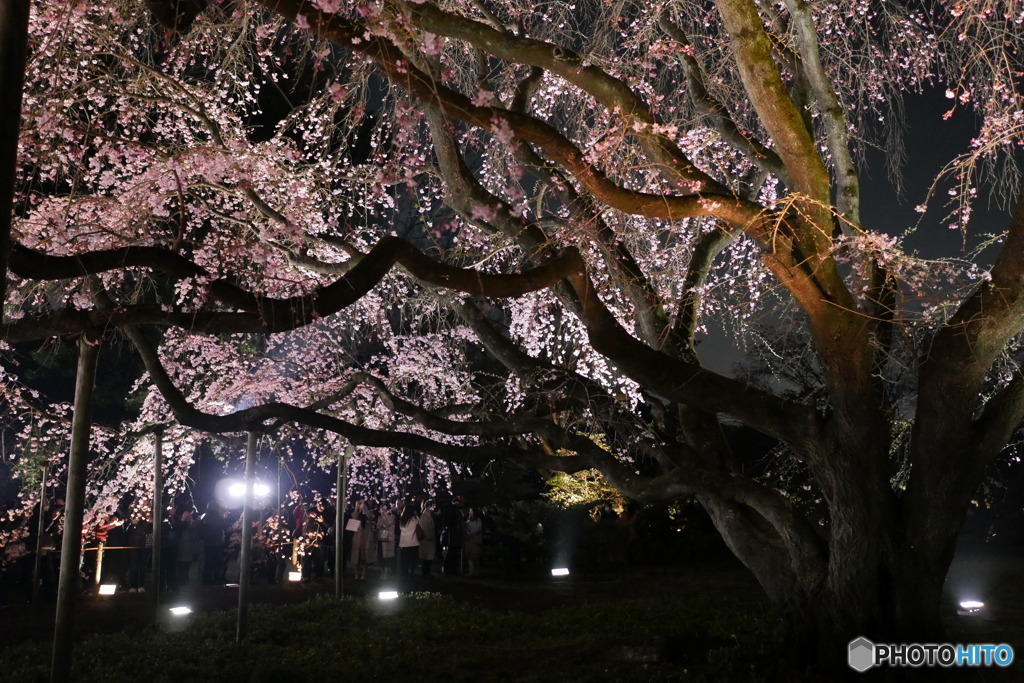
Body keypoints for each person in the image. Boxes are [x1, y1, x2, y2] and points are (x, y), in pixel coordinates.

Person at [199, 500, 227, 586]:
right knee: (217, 561)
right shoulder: (218, 517)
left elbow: (201, 529)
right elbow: (223, 527)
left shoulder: (205, 517)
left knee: (208, 561)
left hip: (207, 542)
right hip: (216, 542)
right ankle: (216, 578)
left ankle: (206, 578)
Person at [350, 499, 375, 580]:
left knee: (364, 558)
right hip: (357, 538)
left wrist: (364, 508)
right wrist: (356, 509)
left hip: (365, 538)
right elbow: (352, 524)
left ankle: (363, 574)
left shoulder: (369, 515)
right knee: (356, 558)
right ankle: (356, 574)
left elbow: (370, 516)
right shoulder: (357, 515)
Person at [397, 500, 420, 581]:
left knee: (405, 561)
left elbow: (400, 529)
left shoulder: (402, 520)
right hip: (413, 543)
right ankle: (411, 575)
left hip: (404, 544)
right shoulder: (414, 519)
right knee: (412, 561)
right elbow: (418, 522)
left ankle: (405, 574)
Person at [418, 499, 437, 578]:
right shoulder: (425, 516)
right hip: (427, 540)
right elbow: (424, 528)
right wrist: (429, 537)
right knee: (427, 558)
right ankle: (426, 573)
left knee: (427, 558)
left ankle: (426, 573)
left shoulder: (427, 515)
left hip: (427, 540)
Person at [377, 504, 396, 579]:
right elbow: (378, 526)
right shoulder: (379, 517)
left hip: (388, 539)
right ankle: (382, 572)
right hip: (380, 537)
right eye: (381, 509)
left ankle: (386, 572)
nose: (382, 511)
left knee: (387, 557)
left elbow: (387, 525)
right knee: (380, 556)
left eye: (384, 509)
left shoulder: (391, 517)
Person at [463, 507, 483, 578]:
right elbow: (465, 529)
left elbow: (478, 529)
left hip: (475, 541)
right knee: (470, 557)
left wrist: (471, 533)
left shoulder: (478, 520)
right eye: (469, 511)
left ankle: (476, 572)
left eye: (471, 511)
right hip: (469, 541)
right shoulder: (468, 521)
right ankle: (471, 572)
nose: (470, 513)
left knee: (475, 557)